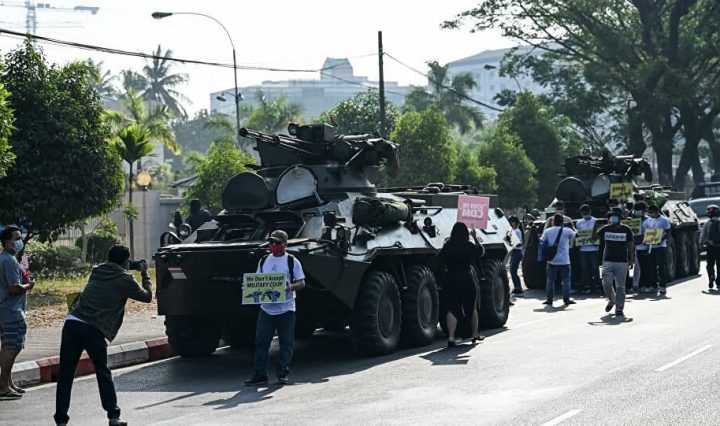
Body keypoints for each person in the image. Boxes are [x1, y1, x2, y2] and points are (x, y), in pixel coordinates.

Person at [54, 245, 152, 426]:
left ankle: (61, 420)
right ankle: (113, 416)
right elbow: (147, 297)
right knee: (102, 371)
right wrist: (145, 274)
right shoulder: (125, 279)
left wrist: (133, 265)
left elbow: (116, 266)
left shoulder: (97, 271)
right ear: (125, 261)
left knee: (66, 374)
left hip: (72, 323)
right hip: (94, 328)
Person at [245, 230, 305, 386]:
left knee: (286, 343)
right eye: (271, 242)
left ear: (284, 244)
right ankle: (260, 374)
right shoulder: (264, 260)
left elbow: (301, 282)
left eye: (276, 243)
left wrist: (289, 287)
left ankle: (282, 373)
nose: (273, 245)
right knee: (261, 342)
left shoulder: (292, 261)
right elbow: (258, 280)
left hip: (286, 308)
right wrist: (249, 289)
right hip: (266, 309)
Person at [437, 222, 484, 347]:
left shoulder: (448, 246)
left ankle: (451, 337)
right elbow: (481, 252)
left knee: (451, 308)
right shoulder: (469, 245)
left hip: (450, 279)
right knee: (472, 307)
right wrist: (475, 237)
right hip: (466, 279)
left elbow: (439, 260)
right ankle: (475, 334)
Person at [0, 226, 33, 400]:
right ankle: (3, 385)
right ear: (7, 243)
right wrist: (29, 285)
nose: (20, 241)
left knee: (7, 345)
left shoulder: (9, 259)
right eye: (17, 238)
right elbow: (14, 288)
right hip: (11, 311)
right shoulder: (8, 260)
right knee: (13, 347)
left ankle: (8, 382)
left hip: (6, 310)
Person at [597, 208, 635, 316]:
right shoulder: (605, 228)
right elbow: (593, 237)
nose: (613, 218)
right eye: (612, 216)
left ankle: (619, 308)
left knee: (620, 287)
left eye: (615, 216)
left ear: (620, 218)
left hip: (622, 261)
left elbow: (630, 245)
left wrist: (631, 259)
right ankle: (612, 299)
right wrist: (597, 225)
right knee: (606, 283)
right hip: (607, 260)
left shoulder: (626, 229)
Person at [539, 213, 577, 306]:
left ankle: (549, 299)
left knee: (550, 280)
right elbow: (577, 235)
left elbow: (541, 241)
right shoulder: (567, 231)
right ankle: (566, 299)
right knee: (566, 280)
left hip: (552, 260)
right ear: (562, 222)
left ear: (553, 222)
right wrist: (572, 227)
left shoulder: (547, 231)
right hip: (565, 260)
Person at [643, 204, 672, 295]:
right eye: (650, 213)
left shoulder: (664, 220)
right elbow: (645, 232)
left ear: (657, 211)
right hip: (651, 247)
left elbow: (667, 232)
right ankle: (654, 286)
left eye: (652, 212)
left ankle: (662, 286)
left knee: (661, 267)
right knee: (652, 267)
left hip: (661, 247)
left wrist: (661, 240)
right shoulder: (648, 221)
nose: (651, 214)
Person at [575, 204, 601, 294]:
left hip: (594, 249)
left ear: (590, 212)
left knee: (595, 268)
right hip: (583, 249)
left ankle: (596, 284)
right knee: (584, 268)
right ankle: (587, 285)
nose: (585, 214)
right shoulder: (579, 222)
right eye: (584, 213)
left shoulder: (595, 221)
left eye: (586, 212)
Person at [700, 204, 720, 289]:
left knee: (710, 264)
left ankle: (711, 275)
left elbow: (703, 236)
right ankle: (719, 282)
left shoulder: (707, 223)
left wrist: (701, 244)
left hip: (711, 246)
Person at [632, 201, 649, 293]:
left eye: (639, 210)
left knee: (646, 267)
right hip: (637, 247)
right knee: (637, 267)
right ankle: (636, 284)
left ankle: (647, 284)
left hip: (648, 246)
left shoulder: (648, 220)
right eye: (636, 210)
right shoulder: (632, 221)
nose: (637, 211)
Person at [507, 216, 524, 296]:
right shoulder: (514, 231)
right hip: (515, 252)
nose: (511, 223)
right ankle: (517, 287)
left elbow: (519, 243)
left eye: (512, 222)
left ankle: (518, 287)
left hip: (517, 252)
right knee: (513, 271)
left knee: (513, 271)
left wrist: (511, 244)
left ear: (515, 223)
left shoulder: (517, 231)